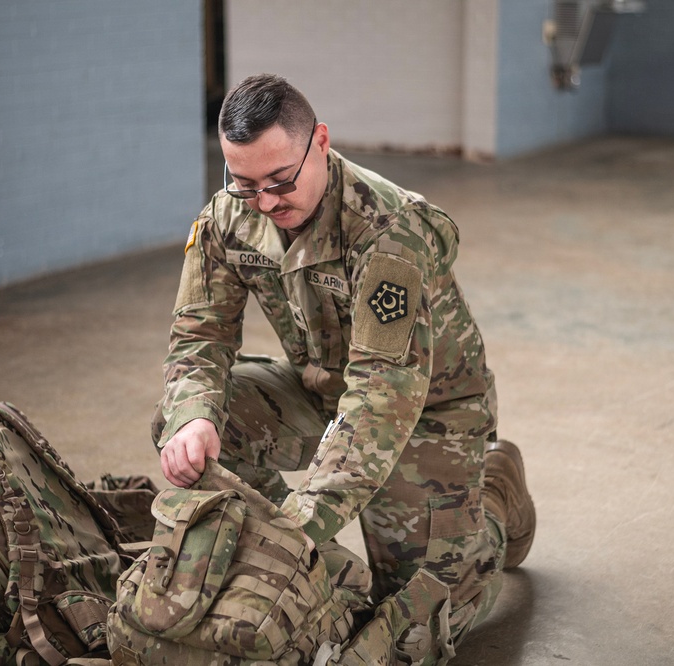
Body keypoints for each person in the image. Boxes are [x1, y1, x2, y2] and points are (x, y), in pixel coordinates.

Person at [151, 73, 536, 649]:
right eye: (245, 183)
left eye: (281, 180)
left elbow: (382, 394)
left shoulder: (388, 229)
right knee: (186, 428)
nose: (267, 202)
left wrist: (302, 523)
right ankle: (293, 563)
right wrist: (195, 416)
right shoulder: (229, 218)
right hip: (323, 390)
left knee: (422, 613)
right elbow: (199, 335)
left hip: (430, 409)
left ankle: (497, 499)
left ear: (321, 143)